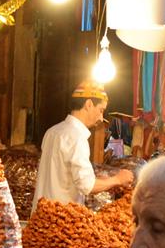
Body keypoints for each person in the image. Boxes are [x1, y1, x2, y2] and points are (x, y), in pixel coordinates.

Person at [32, 82, 134, 212]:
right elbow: (87, 186)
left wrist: (104, 181)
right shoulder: (77, 137)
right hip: (60, 221)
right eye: (101, 110)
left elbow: (62, 174)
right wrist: (117, 179)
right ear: (89, 104)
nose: (101, 118)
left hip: (40, 217)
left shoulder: (53, 132)